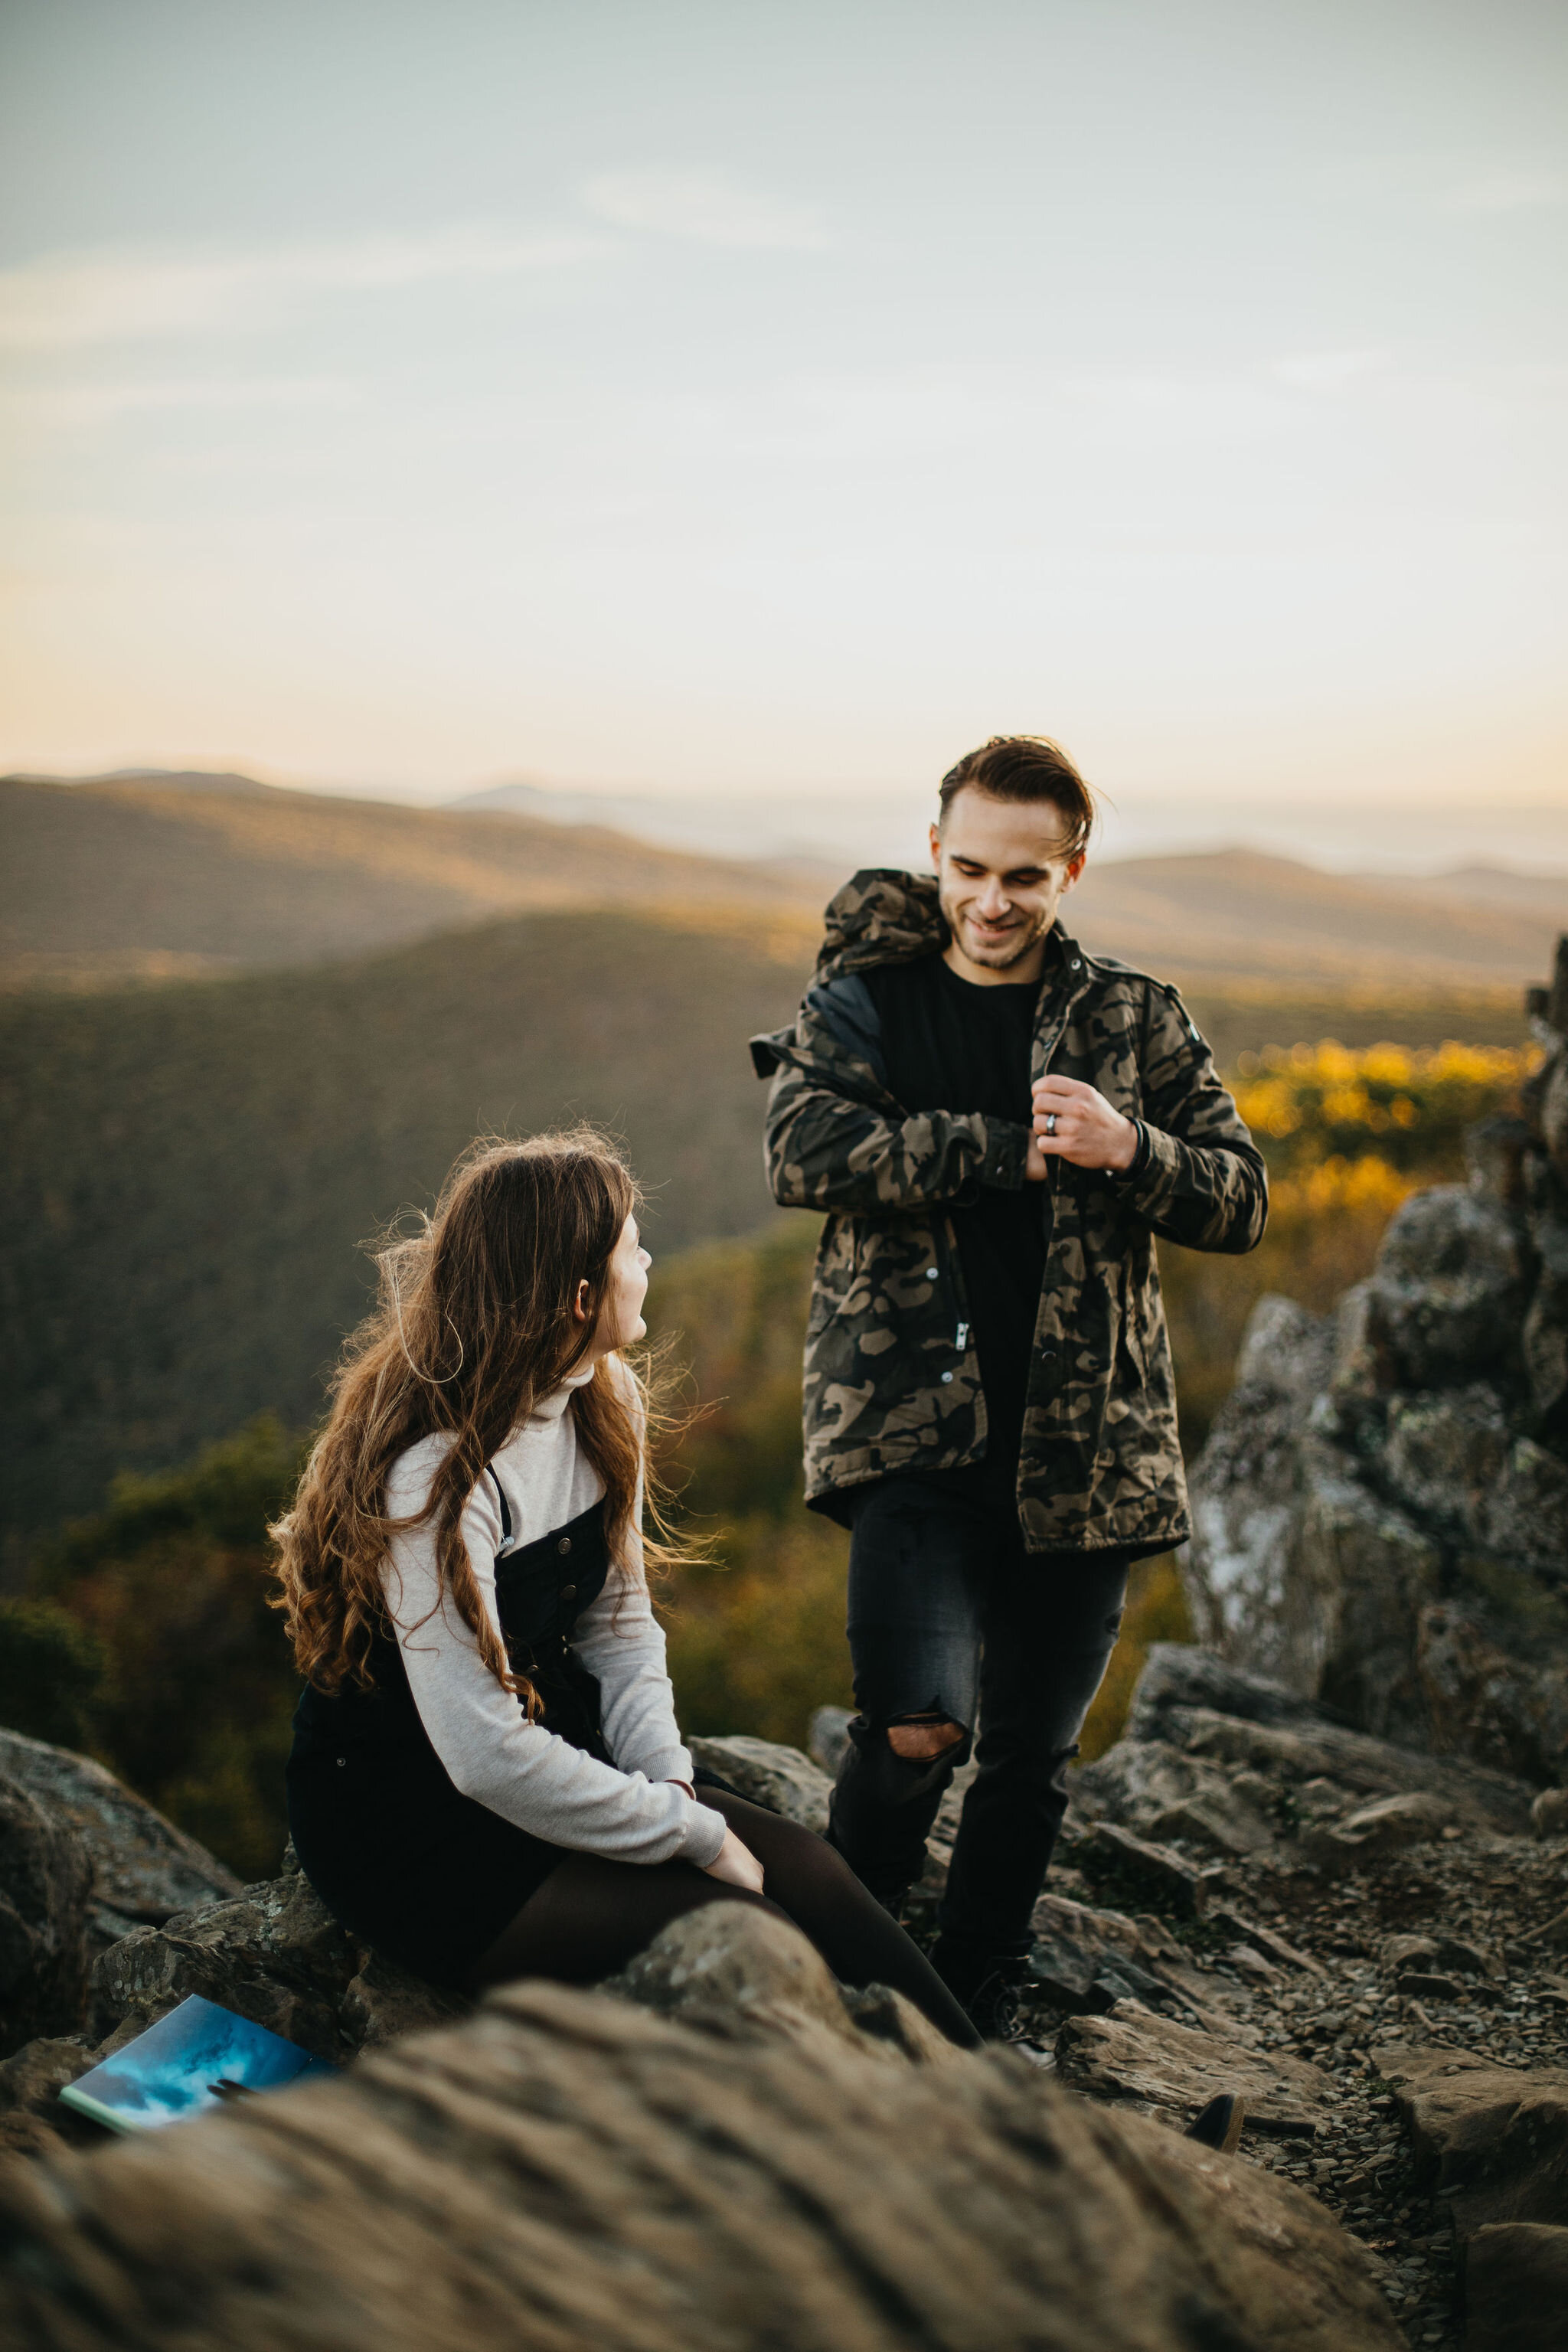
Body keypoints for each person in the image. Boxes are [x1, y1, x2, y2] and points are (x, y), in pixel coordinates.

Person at [751, 735, 1267, 2037]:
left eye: (1024, 876)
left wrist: (1129, 1144)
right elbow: (803, 1150)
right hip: (907, 1433)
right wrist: (1004, 1151)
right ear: (935, 850)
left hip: (1086, 1451)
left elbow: (1242, 1197)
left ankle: (972, 2003)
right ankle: (823, 1979)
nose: (990, 900)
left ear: (1070, 870)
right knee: (915, 1728)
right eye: (970, 868)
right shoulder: (864, 999)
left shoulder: (1134, 1016)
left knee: (1029, 1759)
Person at [272, 1129, 979, 2047]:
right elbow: (481, 1756)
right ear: (578, 1296)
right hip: (420, 1824)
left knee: (807, 1870)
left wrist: (669, 1789)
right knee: (746, 1932)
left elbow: (618, 1625)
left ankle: (1010, 2106)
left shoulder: (603, 1399)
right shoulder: (440, 1479)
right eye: (631, 1250)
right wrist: (690, 1838)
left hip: (549, 1742)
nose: (647, 1265)